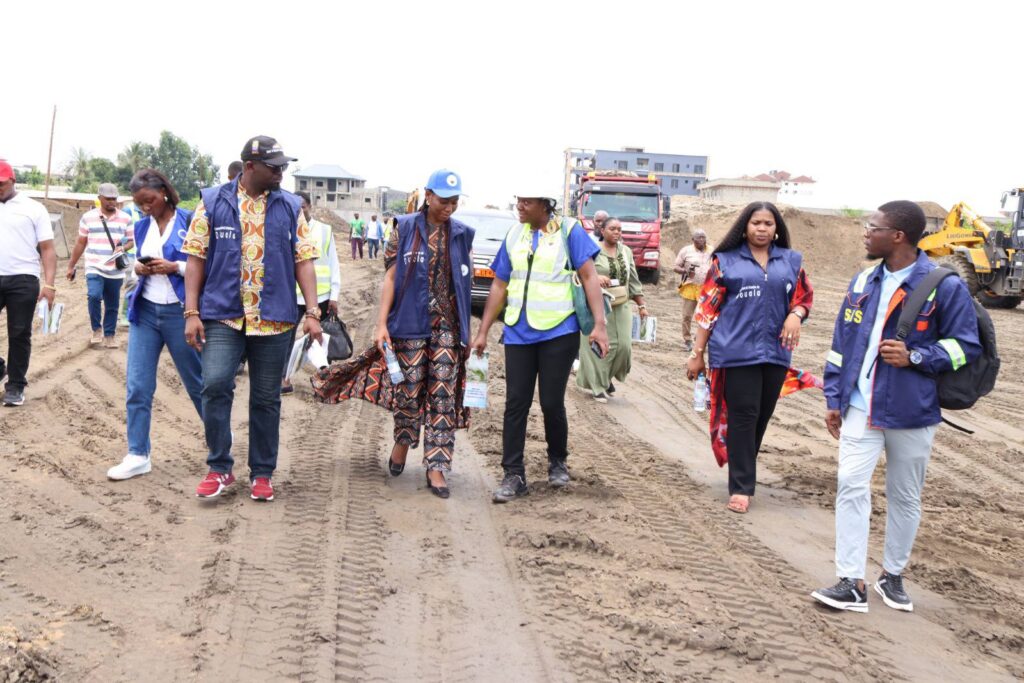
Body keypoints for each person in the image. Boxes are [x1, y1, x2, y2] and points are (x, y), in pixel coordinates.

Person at [811, 201, 980, 614]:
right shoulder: (863, 279)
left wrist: (916, 356)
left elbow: (966, 347)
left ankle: (892, 574)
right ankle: (851, 581)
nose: (865, 232)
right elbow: (841, 344)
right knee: (850, 485)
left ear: (898, 236)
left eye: (873, 227)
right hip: (858, 406)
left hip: (912, 411)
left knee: (905, 496)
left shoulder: (945, 286)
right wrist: (834, 397)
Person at [312, 169, 474, 499]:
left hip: (448, 327)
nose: (449, 208)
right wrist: (381, 324)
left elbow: (464, 286)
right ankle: (403, 440)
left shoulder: (462, 234)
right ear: (428, 196)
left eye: (455, 202)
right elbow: (390, 279)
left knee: (442, 394)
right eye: (444, 201)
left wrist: (467, 333)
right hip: (409, 323)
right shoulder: (405, 228)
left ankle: (436, 466)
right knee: (409, 389)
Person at [182, 135, 322, 502]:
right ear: (249, 167)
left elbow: (304, 261)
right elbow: (195, 258)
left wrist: (312, 311)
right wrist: (191, 312)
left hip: (274, 318)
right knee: (214, 384)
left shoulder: (291, 207)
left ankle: (262, 473)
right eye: (274, 167)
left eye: (283, 167)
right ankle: (219, 467)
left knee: (266, 398)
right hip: (223, 315)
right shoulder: (212, 202)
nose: (281, 173)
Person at [471, 189, 609, 503]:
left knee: (551, 402)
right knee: (515, 403)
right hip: (518, 331)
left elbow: (589, 276)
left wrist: (599, 325)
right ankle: (513, 474)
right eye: (518, 199)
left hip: (559, 330)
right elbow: (500, 284)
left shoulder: (569, 231)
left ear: (545, 205)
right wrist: (483, 330)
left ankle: (558, 460)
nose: (520, 206)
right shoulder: (514, 234)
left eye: (527, 202)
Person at [685, 202, 813, 514]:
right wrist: (697, 353)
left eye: (768, 223)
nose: (762, 228)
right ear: (745, 226)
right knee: (744, 414)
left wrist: (795, 315)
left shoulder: (791, 261)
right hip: (734, 351)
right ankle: (741, 486)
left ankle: (742, 464)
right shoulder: (725, 261)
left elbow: (803, 297)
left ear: (777, 228)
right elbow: (707, 309)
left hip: (776, 352)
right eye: (756, 223)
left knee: (760, 416)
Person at [106, 169, 205, 480]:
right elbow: (129, 263)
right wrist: (138, 268)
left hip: (181, 313)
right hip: (146, 312)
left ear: (163, 192)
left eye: (148, 200)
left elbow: (208, 265)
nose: (145, 207)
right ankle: (138, 454)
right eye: (139, 203)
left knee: (198, 383)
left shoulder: (191, 221)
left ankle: (220, 443)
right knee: (138, 385)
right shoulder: (140, 227)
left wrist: (175, 267)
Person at [0, 160, 57, 407]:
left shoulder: (34, 208)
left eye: (1, 183)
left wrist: (50, 284)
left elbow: (48, 249)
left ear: (12, 181)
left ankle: (15, 386)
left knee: (19, 332)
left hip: (23, 279)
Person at [576, 217, 647, 402]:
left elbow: (633, 280)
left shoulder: (626, 252)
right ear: (602, 230)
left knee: (623, 347)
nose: (617, 232)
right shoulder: (592, 249)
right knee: (596, 346)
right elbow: (579, 273)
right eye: (612, 229)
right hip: (598, 303)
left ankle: (606, 378)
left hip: (621, 303)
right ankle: (597, 386)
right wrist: (596, 277)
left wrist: (641, 305)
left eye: (619, 229)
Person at [281, 191, 341, 394]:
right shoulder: (284, 229)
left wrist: (334, 295)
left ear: (310, 207)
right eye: (296, 208)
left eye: (303, 207)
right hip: (291, 296)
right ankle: (284, 379)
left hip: (320, 296)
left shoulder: (324, 230)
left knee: (320, 340)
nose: (300, 211)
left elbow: (333, 263)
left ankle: (323, 380)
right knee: (286, 340)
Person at [66, 183, 134, 348]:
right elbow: (81, 243)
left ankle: (109, 335)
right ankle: (96, 329)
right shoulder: (88, 217)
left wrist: (123, 248)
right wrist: (71, 266)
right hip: (94, 265)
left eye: (114, 199)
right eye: (108, 199)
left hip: (115, 269)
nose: (112, 202)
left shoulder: (126, 218)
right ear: (100, 198)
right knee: (94, 296)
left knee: (112, 304)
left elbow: (131, 241)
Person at [673, 228, 712, 352]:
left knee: (705, 316)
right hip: (690, 287)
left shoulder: (712, 251)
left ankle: (699, 339)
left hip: (706, 288)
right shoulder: (686, 251)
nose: (702, 240)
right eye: (699, 237)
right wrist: (685, 271)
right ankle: (688, 340)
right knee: (687, 316)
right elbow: (675, 267)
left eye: (703, 237)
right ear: (693, 240)